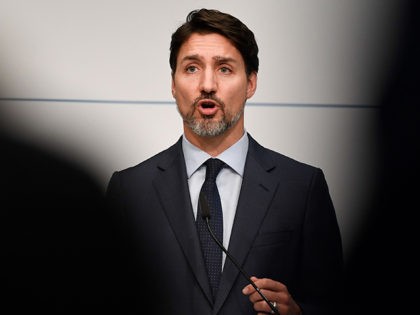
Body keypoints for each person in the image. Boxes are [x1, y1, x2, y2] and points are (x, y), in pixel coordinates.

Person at [106, 8, 343, 315]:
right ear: (173, 84)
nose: (207, 84)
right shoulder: (129, 190)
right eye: (191, 68)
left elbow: (338, 302)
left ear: (251, 83)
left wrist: (298, 312)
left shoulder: (301, 187)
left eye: (225, 69)